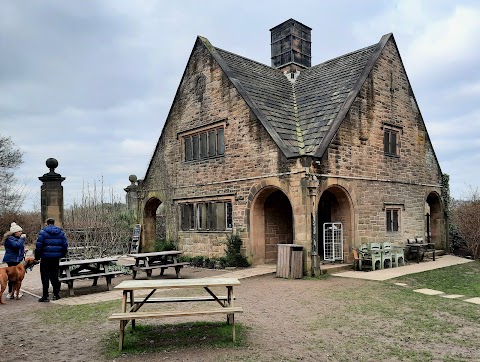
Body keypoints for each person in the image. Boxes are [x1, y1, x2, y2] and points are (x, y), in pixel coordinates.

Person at [35, 218, 68, 302]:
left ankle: (45, 296)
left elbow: (39, 246)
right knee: (55, 276)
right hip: (55, 258)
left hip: (45, 258)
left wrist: (37, 257)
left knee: (45, 277)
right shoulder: (61, 232)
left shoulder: (42, 232)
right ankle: (56, 294)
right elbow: (65, 245)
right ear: (54, 223)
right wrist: (62, 254)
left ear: (47, 223)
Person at [2, 222, 27, 299]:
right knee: (12, 277)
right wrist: (22, 238)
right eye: (19, 231)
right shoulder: (10, 239)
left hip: (16, 259)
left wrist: (23, 251)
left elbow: (18, 247)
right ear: (15, 232)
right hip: (12, 260)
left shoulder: (15, 238)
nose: (21, 233)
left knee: (16, 277)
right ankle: (11, 293)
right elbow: (16, 246)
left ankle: (15, 292)